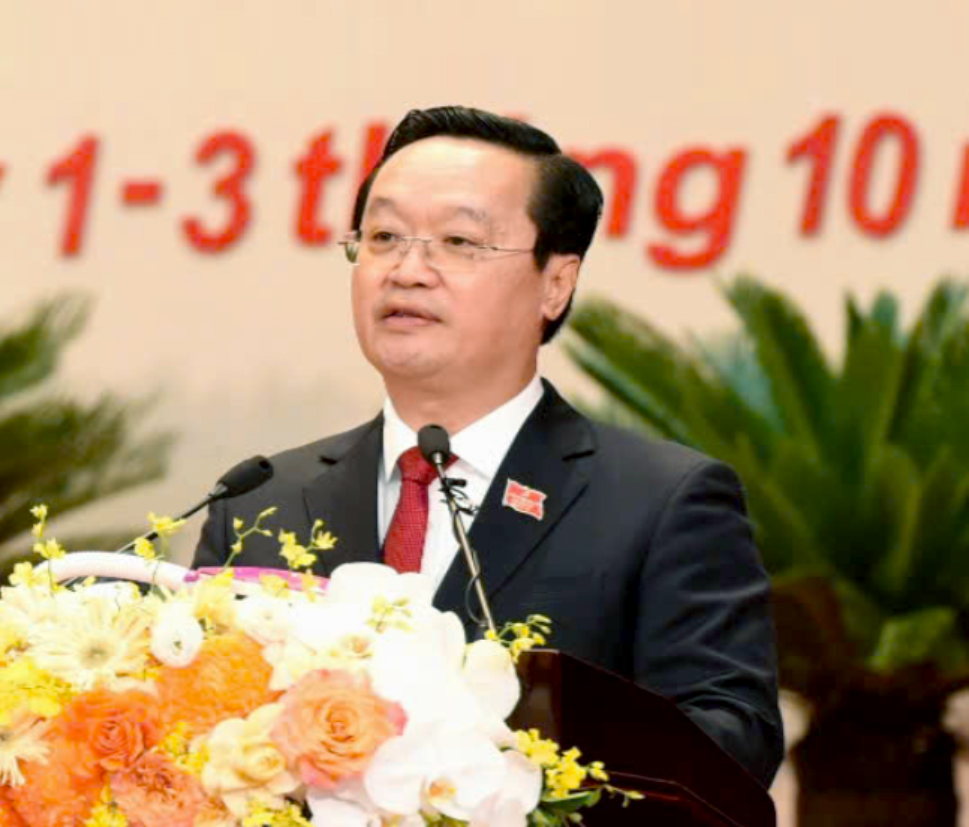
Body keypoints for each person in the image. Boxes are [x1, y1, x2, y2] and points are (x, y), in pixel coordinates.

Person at [194, 105, 783, 786]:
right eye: (383, 236)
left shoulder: (659, 503)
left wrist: (514, 758)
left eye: (459, 241)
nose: (408, 269)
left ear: (555, 284)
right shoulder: (259, 501)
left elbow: (731, 745)